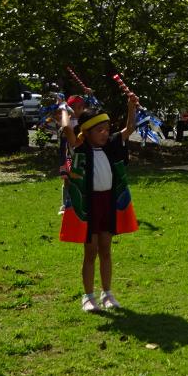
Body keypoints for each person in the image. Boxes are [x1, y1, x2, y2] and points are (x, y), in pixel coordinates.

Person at [57, 92, 139, 313]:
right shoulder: (81, 148)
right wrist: (64, 111)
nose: (105, 133)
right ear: (87, 132)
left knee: (105, 249)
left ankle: (107, 293)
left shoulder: (111, 145)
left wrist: (131, 107)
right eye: (99, 130)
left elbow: (129, 129)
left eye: (107, 129)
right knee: (90, 251)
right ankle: (88, 296)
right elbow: (67, 131)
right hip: (89, 205)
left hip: (108, 204)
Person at [57, 94, 89, 214]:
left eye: (79, 107)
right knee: (67, 179)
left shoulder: (86, 119)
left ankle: (82, 205)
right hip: (69, 155)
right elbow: (65, 129)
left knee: (82, 180)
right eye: (72, 107)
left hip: (82, 155)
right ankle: (65, 205)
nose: (76, 110)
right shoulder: (67, 119)